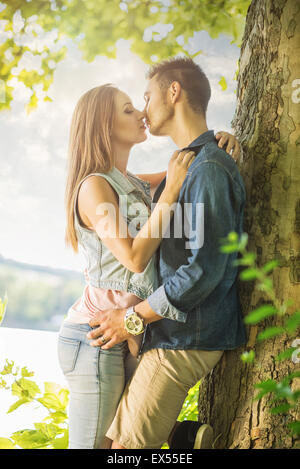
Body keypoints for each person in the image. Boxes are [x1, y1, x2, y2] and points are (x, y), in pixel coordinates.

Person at [58, 79, 240, 449]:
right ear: (103, 126)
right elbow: (135, 257)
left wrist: (221, 139)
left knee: (118, 443)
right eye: (128, 110)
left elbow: (194, 165)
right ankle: (182, 438)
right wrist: (170, 192)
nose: (141, 113)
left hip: (128, 333)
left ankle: (180, 437)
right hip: (95, 336)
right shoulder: (94, 187)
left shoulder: (133, 182)